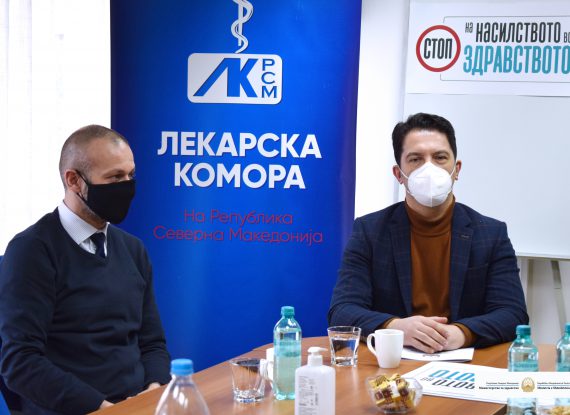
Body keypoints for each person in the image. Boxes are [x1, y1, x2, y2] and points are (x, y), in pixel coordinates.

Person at [0, 125, 171, 414]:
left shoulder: (133, 249)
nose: (126, 186)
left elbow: (152, 342)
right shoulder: (32, 251)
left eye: (130, 175)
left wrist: (153, 391)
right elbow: (20, 361)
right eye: (115, 177)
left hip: (136, 406)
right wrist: (103, 408)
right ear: (74, 181)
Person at [328, 113, 528, 352]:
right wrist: (395, 327)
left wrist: (461, 333)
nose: (429, 168)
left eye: (440, 157)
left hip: (464, 362)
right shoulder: (369, 231)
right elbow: (342, 311)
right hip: (393, 362)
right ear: (398, 174)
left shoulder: (491, 234)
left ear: (456, 169)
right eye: (416, 159)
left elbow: (513, 313)